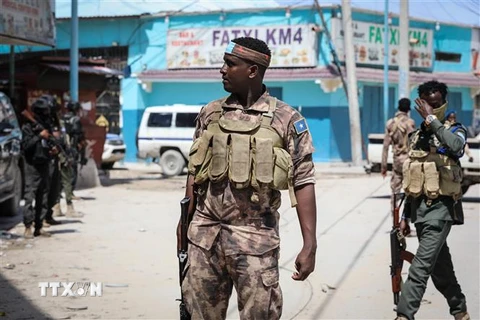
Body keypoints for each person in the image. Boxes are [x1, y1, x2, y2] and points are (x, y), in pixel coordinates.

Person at [178, 37, 317, 319]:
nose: (222, 69)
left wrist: (310, 243)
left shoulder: (286, 119)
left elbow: (303, 181)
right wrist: (184, 223)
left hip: (256, 243)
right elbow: (194, 173)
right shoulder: (211, 113)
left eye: (230, 64)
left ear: (252, 71)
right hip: (204, 240)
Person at [396, 80, 469, 320]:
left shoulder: (454, 129)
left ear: (444, 103)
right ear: (420, 103)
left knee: (420, 267)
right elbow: (412, 177)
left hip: (441, 210)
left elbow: (457, 147)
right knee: (440, 268)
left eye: (437, 104)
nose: (432, 108)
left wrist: (432, 120)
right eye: (428, 104)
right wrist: (405, 216)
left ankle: (404, 315)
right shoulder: (416, 136)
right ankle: (460, 310)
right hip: (419, 211)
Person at [21, 97, 57, 238]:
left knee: (43, 196)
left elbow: (50, 144)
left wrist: (53, 149)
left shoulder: (45, 125)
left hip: (44, 163)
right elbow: (26, 146)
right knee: (30, 195)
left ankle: (39, 226)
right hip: (31, 165)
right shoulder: (28, 127)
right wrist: (39, 137)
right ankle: (28, 226)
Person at [381, 98, 416, 210]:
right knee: (410, 192)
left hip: (397, 161)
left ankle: (395, 222)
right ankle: (405, 222)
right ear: (408, 109)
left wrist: (384, 167)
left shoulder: (390, 123)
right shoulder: (410, 123)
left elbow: (385, 147)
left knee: (395, 192)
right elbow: (414, 143)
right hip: (408, 160)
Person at [63, 101, 86, 198]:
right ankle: (70, 193)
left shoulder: (63, 118)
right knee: (72, 170)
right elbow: (77, 133)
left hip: (63, 146)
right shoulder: (76, 119)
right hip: (72, 147)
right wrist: (81, 144)